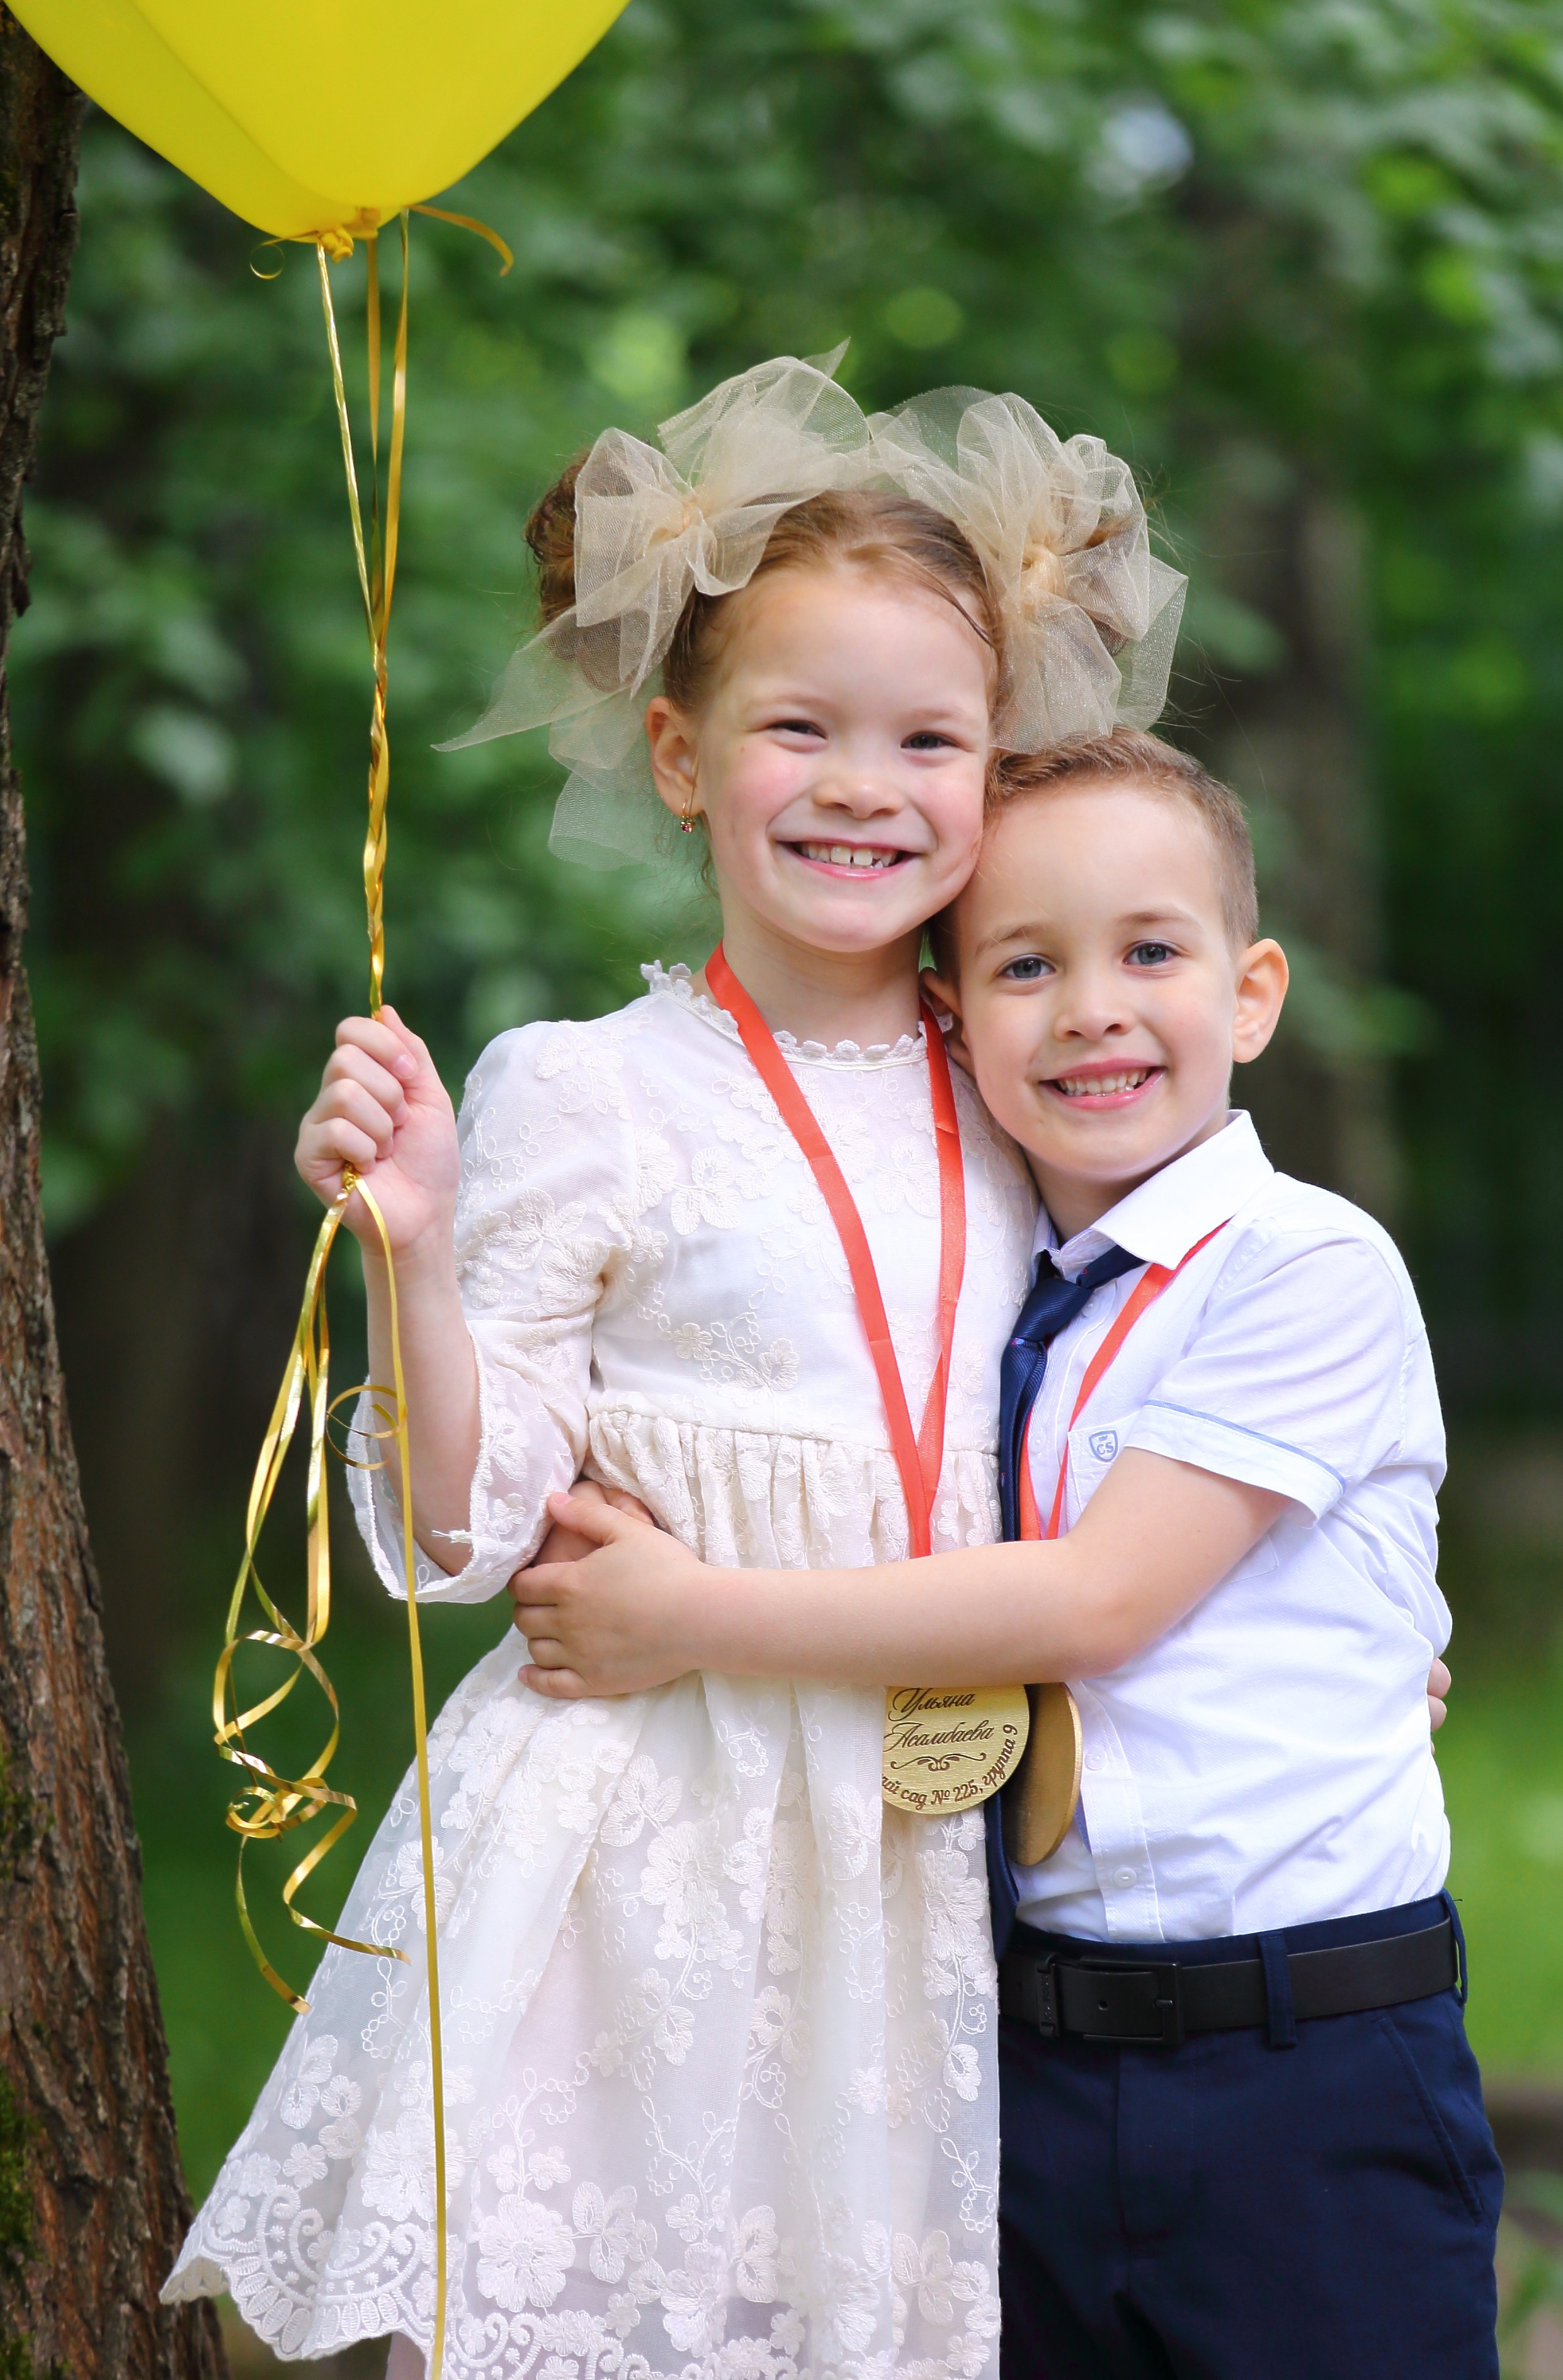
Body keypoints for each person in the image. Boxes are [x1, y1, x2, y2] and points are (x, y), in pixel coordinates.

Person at [163, 355, 1190, 2379]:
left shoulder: (1027, 1083)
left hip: (918, 1846)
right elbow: (462, 1537)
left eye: (929, 740)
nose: (864, 785)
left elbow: (1142, 1410)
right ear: (676, 755)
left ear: (997, 773)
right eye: (798, 727)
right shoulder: (591, 1090)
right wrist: (424, 1259)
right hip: (662, 1847)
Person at [516, 728, 1499, 2379]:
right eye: (1029, 964)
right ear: (952, 1022)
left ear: (1252, 994)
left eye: (1152, 952)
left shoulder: (1306, 1266)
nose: (1095, 1007)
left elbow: (1101, 1602)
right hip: (1028, 2053)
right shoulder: (995, 1289)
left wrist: (694, 1612)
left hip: (1303, 2062)